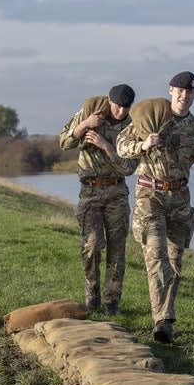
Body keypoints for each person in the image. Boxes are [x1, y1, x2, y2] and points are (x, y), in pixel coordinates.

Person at [116, 71, 194, 343]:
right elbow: (122, 145)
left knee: (175, 260)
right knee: (156, 254)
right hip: (149, 196)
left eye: (189, 92)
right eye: (179, 90)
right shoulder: (151, 118)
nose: (184, 95)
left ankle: (165, 315)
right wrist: (143, 144)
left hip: (179, 199)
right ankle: (163, 321)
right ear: (170, 91)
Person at [59, 84, 138, 315]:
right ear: (109, 101)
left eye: (126, 107)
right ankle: (91, 295)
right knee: (92, 245)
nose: (121, 111)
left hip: (116, 192)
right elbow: (64, 142)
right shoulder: (88, 113)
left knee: (117, 249)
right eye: (117, 106)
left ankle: (112, 303)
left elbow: (128, 167)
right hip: (90, 192)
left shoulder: (132, 126)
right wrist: (84, 126)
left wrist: (105, 146)